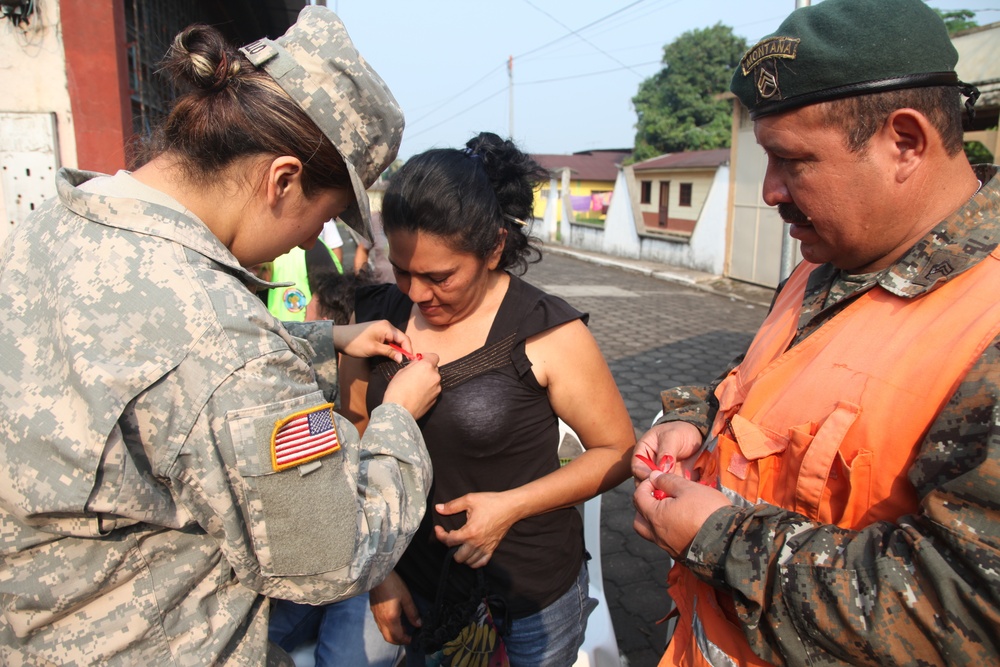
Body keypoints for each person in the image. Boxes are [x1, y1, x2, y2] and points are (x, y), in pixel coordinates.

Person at [0, 6, 442, 665]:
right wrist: (399, 420)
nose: (305, 242)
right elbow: (329, 556)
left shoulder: (59, 219)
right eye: (319, 222)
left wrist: (326, 340)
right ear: (282, 179)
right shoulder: (228, 342)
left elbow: (147, 359)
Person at [630, 1, 1000, 665]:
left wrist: (715, 534)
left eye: (792, 160)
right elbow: (761, 387)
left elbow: (966, 606)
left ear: (906, 143)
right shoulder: (828, 263)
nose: (771, 191)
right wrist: (695, 422)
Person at [339, 132, 636, 667]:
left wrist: (510, 507)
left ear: (494, 247)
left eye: (440, 277)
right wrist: (379, 577)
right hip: (418, 586)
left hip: (530, 597)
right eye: (402, 268)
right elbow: (350, 453)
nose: (416, 293)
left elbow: (617, 451)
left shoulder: (547, 331)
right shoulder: (374, 322)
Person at [269, 266, 405, 667]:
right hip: (326, 556)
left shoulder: (344, 402)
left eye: (314, 320)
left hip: (369, 556)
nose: (306, 329)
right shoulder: (306, 399)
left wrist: (378, 573)